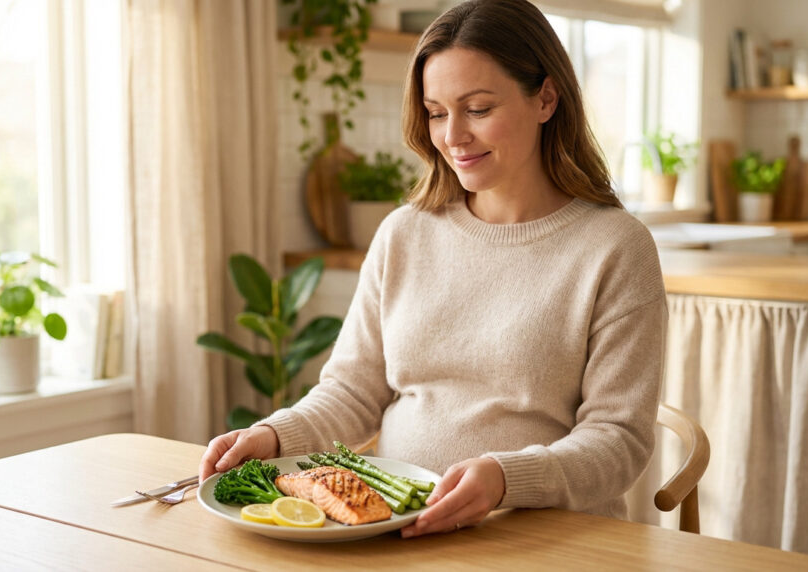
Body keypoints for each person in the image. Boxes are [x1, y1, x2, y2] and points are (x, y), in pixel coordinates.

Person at [199, 0, 666, 539]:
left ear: (546, 98)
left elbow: (618, 440)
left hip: (547, 538)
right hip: (397, 532)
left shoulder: (615, 247)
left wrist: (505, 478)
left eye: (479, 108)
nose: (452, 136)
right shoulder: (404, 233)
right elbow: (353, 391)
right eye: (437, 112)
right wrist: (276, 436)